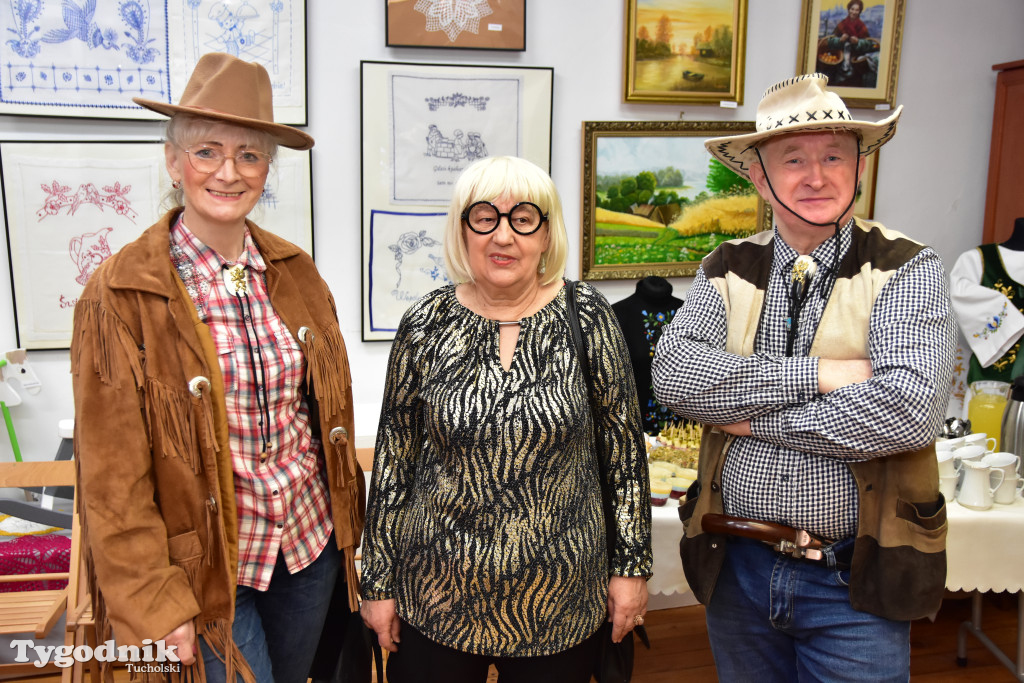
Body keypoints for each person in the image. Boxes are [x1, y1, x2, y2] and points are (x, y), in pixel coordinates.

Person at [652, 73, 955, 681]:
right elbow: (675, 376)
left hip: (854, 575)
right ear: (760, 178)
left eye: (834, 155)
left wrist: (747, 419)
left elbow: (908, 408)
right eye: (793, 159)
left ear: (859, 168)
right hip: (737, 565)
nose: (816, 176)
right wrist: (823, 374)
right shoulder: (726, 264)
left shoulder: (907, 266)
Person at [71, 53, 363, 683]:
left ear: (266, 170)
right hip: (203, 568)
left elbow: (324, 416)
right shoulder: (121, 291)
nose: (228, 172)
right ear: (174, 163)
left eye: (250, 155)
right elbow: (110, 474)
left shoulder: (297, 272)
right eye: (207, 151)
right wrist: (153, 598)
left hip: (307, 549)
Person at [360, 156, 653, 683]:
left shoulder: (588, 315)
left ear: (546, 234)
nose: (503, 236)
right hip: (437, 593)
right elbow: (393, 461)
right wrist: (377, 582)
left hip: (559, 597)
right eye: (484, 218)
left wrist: (630, 569)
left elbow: (624, 456)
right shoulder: (425, 323)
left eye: (523, 218)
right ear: (462, 230)